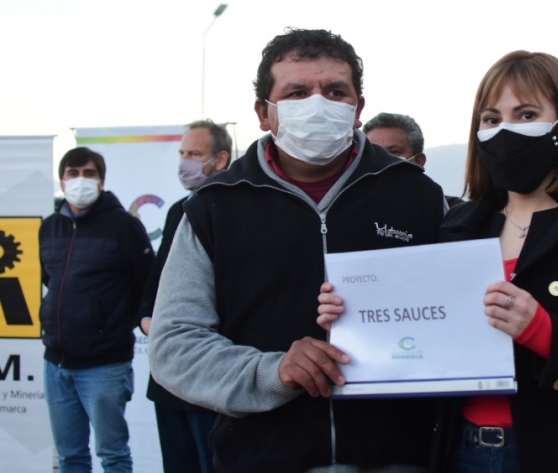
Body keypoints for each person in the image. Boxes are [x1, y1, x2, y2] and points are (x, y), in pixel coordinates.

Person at [318, 51, 558, 472]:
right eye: (492, 120)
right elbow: (428, 340)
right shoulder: (459, 225)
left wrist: (546, 333)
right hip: (465, 452)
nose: (505, 131)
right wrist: (357, 321)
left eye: (526, 114)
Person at [147, 28, 446, 473]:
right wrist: (273, 372)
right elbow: (173, 345)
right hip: (260, 458)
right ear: (264, 113)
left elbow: (456, 316)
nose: (318, 104)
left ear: (358, 108)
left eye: (335, 91)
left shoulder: (417, 196)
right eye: (297, 92)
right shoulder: (214, 207)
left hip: (398, 460)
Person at [39, 147, 154, 473]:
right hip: (56, 365)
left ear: (102, 181)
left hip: (104, 365)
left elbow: (147, 285)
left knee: (113, 455)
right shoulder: (49, 227)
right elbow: (51, 280)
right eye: (73, 174)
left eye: (88, 174)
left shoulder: (124, 227)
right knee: (70, 457)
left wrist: (111, 325)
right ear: (62, 179)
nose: (80, 180)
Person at [138, 119, 231, 473]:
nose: (185, 162)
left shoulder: (238, 209)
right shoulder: (179, 209)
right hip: (167, 378)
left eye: (194, 154)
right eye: (182, 153)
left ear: (220, 159)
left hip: (212, 374)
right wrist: (146, 316)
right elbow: (158, 277)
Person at [363, 112, 464, 207]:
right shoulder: (350, 205)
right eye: (374, 151)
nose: (382, 158)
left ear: (418, 161)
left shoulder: (449, 212)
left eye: (394, 152)